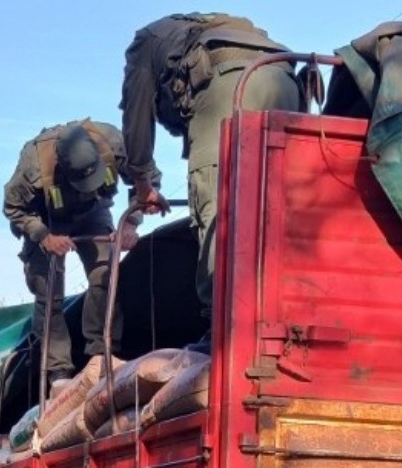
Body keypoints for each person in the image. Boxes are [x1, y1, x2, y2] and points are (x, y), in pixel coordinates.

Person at [119, 13, 303, 350]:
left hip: (229, 87)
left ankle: (221, 333)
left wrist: (143, 185)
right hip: (288, 78)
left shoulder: (144, 44)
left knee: (216, 204)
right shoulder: (205, 28)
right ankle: (291, 320)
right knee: (281, 208)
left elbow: (136, 119)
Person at [3, 119, 160, 386]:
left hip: (93, 211)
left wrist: (130, 224)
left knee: (106, 273)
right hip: (46, 218)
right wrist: (44, 236)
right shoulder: (33, 164)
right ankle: (58, 372)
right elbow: (14, 208)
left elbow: (147, 179)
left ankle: (101, 355)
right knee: (49, 291)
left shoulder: (113, 142)